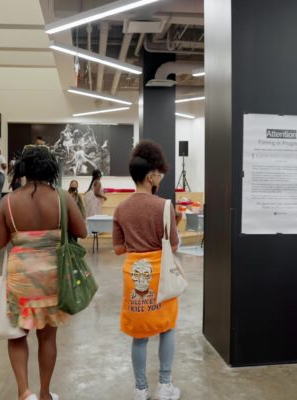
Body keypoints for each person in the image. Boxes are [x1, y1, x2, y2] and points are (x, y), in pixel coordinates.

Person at [0, 146, 87, 400]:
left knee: (17, 336)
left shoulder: (8, 202)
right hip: (52, 276)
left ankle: (25, 392)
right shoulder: (62, 197)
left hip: (20, 277)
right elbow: (82, 231)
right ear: (50, 168)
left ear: (22, 169)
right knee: (48, 337)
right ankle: (45, 393)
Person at [112, 140, 181, 400]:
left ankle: (140, 389)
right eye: (159, 174)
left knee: (139, 335)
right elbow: (172, 247)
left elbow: (118, 249)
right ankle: (165, 386)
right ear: (151, 175)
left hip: (134, 275)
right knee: (167, 327)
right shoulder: (164, 206)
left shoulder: (120, 208)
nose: (160, 178)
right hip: (160, 275)